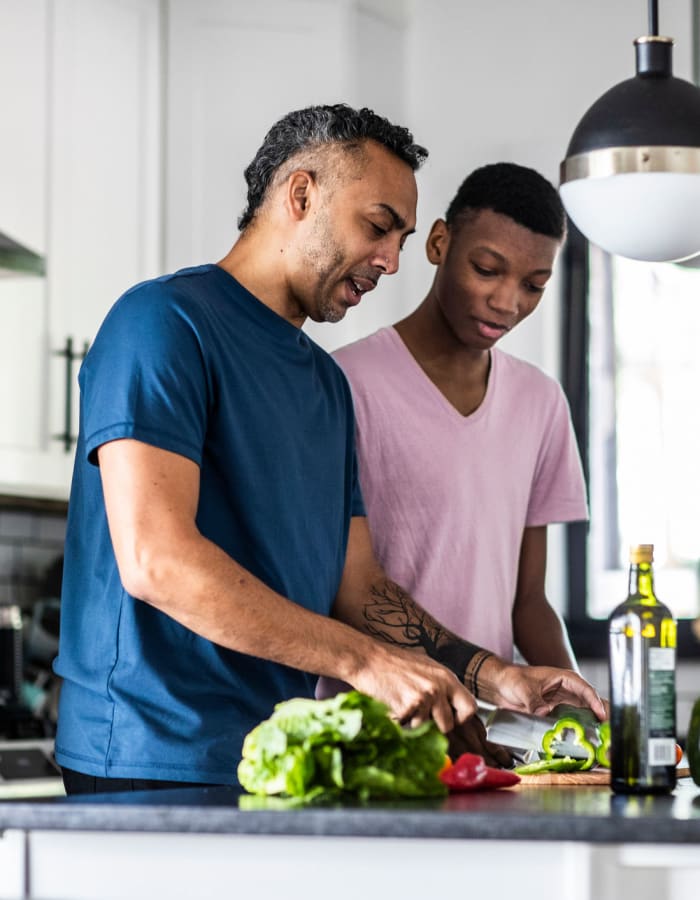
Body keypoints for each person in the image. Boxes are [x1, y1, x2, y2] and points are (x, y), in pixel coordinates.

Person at [53, 107, 604, 795]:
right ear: (301, 194)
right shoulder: (163, 323)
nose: (391, 261)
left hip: (281, 760)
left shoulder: (324, 383)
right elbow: (157, 561)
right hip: (145, 761)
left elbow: (360, 587)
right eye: (377, 227)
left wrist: (492, 675)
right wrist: (370, 665)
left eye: (401, 238)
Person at [329, 162, 585, 682]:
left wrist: (589, 716)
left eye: (534, 285)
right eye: (487, 269)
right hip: (375, 725)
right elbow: (339, 586)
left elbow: (528, 603)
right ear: (439, 243)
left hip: (494, 732)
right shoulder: (343, 383)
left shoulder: (541, 402)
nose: (507, 302)